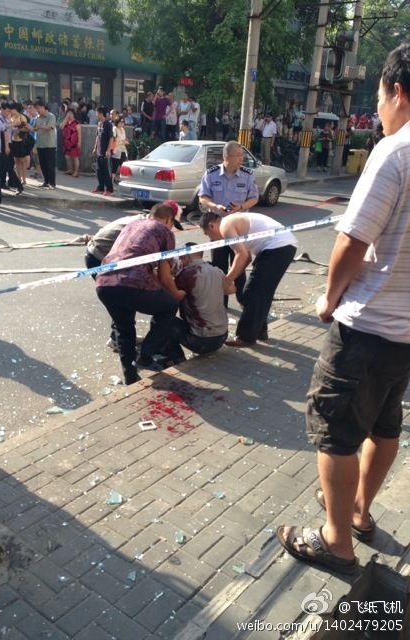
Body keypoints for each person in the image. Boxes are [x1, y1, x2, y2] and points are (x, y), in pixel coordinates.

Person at [276, 43, 410, 575]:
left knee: (335, 430)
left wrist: (329, 300)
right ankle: (359, 511)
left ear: (399, 92)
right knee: (384, 424)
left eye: (379, 98)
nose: (378, 109)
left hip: (367, 324)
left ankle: (336, 539)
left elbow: (353, 241)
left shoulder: (396, 151)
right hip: (406, 334)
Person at [96, 203, 185, 385]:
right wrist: (175, 294)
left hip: (104, 282)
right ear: (169, 219)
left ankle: (130, 376)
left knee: (124, 329)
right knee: (168, 307)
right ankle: (146, 353)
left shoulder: (131, 225)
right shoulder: (164, 231)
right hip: (132, 282)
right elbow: (164, 275)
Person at [200, 211, 297, 346]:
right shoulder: (231, 222)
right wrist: (231, 278)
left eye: (208, 234)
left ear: (211, 226)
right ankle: (259, 331)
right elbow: (246, 258)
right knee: (259, 293)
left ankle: (245, 337)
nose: (211, 239)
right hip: (281, 246)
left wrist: (227, 281)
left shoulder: (225, 226)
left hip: (277, 247)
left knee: (251, 293)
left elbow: (242, 255)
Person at [198, 140, 259, 304]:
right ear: (226, 157)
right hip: (217, 229)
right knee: (218, 267)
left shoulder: (247, 174)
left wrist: (241, 206)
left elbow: (254, 198)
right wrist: (215, 206)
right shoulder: (211, 174)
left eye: (242, 156)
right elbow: (203, 197)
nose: (241, 159)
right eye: (238, 156)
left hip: (239, 229)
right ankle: (220, 304)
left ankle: (244, 301)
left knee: (239, 265)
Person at [162, 242, 234, 364]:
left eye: (180, 258)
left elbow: (172, 298)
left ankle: (177, 359)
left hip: (202, 341)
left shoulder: (185, 275)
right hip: (222, 336)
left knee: (163, 321)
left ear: (185, 257)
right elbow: (232, 289)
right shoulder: (216, 270)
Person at [9, 101, 32, 192]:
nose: (11, 110)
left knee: (22, 161)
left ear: (16, 109)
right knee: (17, 161)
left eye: (12, 109)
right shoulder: (12, 117)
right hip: (14, 140)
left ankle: (24, 179)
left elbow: (27, 128)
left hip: (21, 140)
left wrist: (18, 129)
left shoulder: (22, 117)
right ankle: (18, 179)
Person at [92, 106, 114, 195]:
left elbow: (111, 138)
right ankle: (100, 187)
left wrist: (108, 150)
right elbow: (97, 136)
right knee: (99, 170)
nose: (96, 115)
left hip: (105, 151)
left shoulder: (108, 124)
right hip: (99, 151)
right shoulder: (99, 124)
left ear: (101, 113)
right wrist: (95, 147)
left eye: (96, 113)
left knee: (105, 171)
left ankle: (109, 189)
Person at [34, 101, 57, 189]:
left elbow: (49, 127)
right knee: (43, 164)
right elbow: (35, 128)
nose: (37, 110)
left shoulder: (51, 116)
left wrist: (40, 127)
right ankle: (46, 181)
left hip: (49, 145)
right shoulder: (38, 117)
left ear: (43, 107)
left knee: (50, 165)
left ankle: (52, 183)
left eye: (38, 108)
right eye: (36, 108)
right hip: (40, 144)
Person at [60, 108, 82, 177]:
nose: (69, 115)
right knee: (67, 157)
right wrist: (66, 118)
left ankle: (76, 172)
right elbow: (61, 127)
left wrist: (79, 142)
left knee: (75, 157)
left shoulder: (76, 123)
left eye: (70, 113)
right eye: (68, 113)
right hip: (66, 142)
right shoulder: (65, 121)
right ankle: (70, 170)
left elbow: (79, 133)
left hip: (74, 142)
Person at [111, 117, 129, 183]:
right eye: (120, 122)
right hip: (116, 150)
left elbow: (124, 139)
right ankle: (111, 183)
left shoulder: (123, 129)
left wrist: (125, 141)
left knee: (123, 165)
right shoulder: (114, 129)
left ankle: (118, 179)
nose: (122, 123)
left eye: (123, 122)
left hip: (123, 150)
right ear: (117, 122)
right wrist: (122, 142)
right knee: (114, 167)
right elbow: (113, 139)